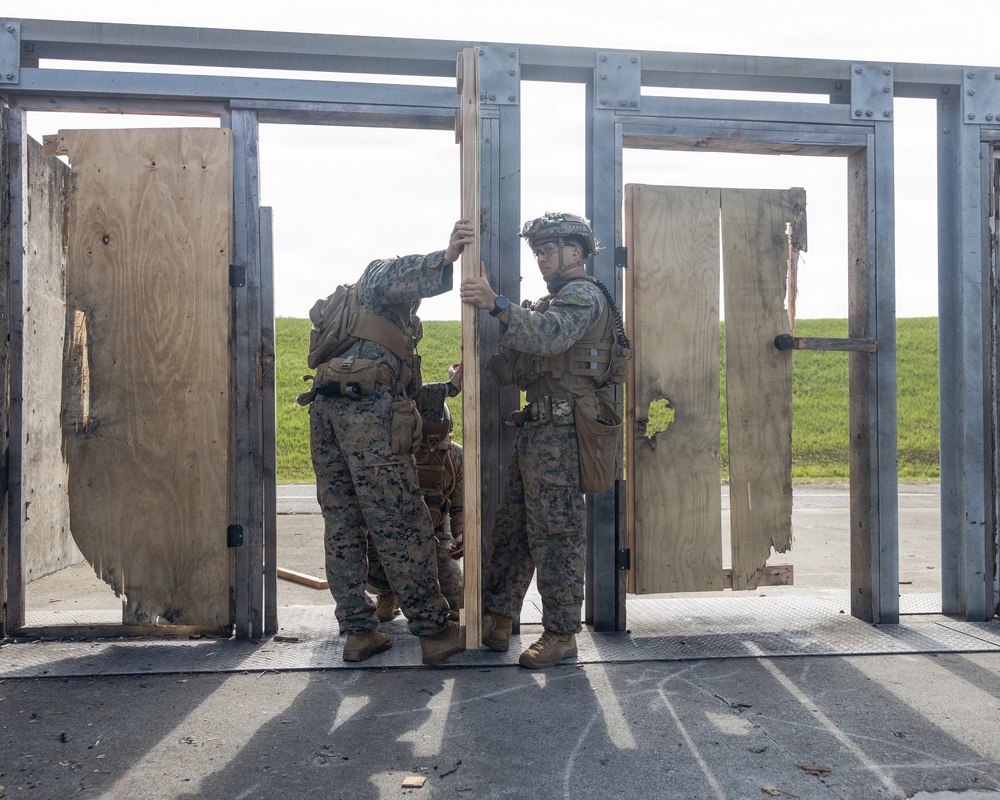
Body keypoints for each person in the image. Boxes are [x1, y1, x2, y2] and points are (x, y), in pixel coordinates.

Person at [308, 219, 474, 666]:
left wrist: (451, 389)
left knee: (343, 524)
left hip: (327, 411)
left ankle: (359, 633)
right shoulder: (377, 277)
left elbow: (407, 392)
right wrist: (445, 258)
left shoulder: (368, 332)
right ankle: (434, 631)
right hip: (364, 415)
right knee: (399, 518)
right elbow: (394, 272)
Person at [459, 212, 618, 669]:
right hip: (538, 433)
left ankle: (561, 634)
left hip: (566, 437)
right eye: (537, 250)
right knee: (514, 529)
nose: (542, 257)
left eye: (549, 248)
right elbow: (525, 364)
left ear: (578, 251)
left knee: (557, 535)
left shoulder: (582, 295)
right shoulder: (552, 301)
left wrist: (498, 305)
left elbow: (550, 339)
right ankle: (499, 618)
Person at [366, 365, 466, 623]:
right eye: (423, 445)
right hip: (392, 537)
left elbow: (459, 505)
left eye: (436, 444)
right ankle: (388, 592)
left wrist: (461, 533)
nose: (429, 452)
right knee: (367, 557)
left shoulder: (455, 456)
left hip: (435, 538)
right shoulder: (392, 454)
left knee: (458, 602)